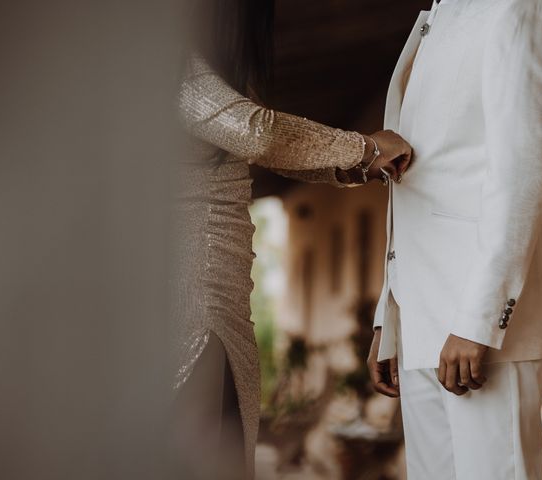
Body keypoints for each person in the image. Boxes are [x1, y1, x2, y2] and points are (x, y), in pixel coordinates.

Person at [170, 0, 413, 478]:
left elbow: (255, 143)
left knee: (217, 443)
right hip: (194, 295)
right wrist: (364, 146)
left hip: (216, 289)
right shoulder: (171, 62)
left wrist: (359, 162)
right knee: (203, 451)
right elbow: (257, 134)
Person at [367, 0, 542, 478]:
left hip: (483, 331)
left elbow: (521, 176)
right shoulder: (435, 18)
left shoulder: (521, 12)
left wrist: (478, 320)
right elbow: (416, 192)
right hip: (419, 321)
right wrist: (389, 317)